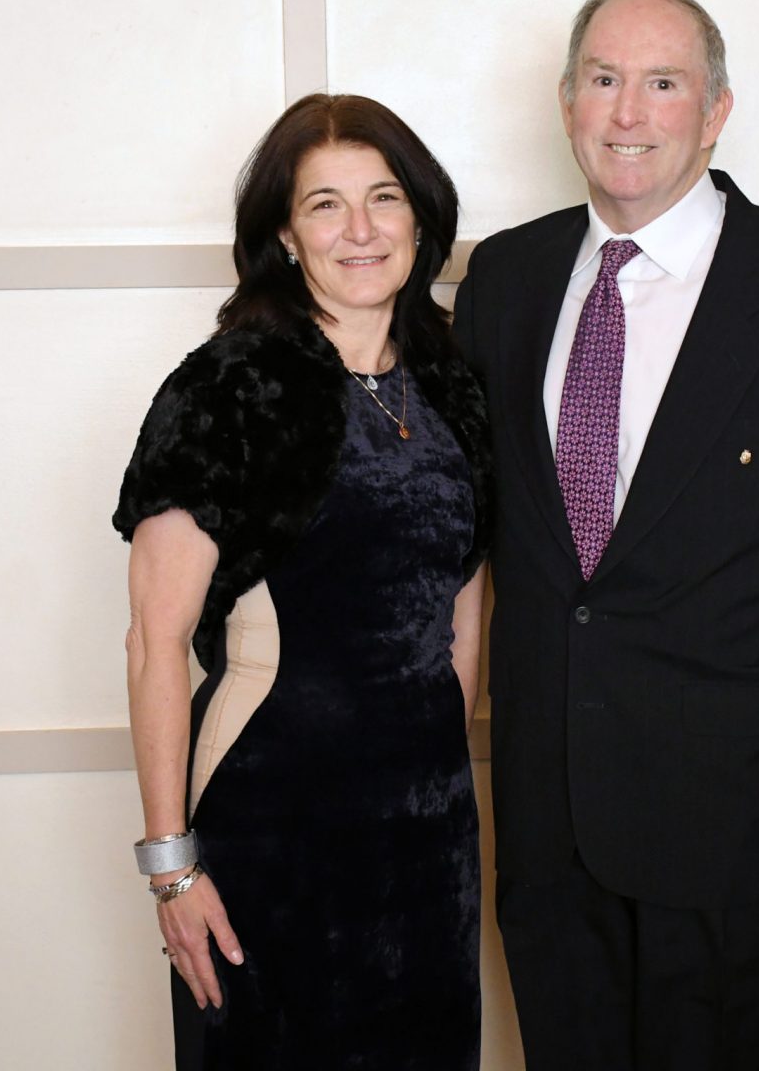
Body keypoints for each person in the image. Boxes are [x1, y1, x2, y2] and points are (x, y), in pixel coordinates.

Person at [452, 0, 759, 1069]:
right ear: (567, 102)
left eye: (663, 84)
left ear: (715, 111)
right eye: (604, 80)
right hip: (548, 823)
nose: (629, 113)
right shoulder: (505, 282)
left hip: (736, 831)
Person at [112, 93, 492, 1069]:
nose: (360, 229)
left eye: (384, 198)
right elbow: (155, 641)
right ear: (285, 234)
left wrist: (432, 784)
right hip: (271, 821)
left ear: (421, 220)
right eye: (326, 204)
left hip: (427, 836)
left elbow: (464, 614)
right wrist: (171, 868)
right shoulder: (229, 389)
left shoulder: (453, 385)